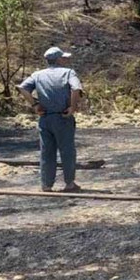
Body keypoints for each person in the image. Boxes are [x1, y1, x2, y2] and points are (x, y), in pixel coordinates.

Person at [16, 47, 84, 193]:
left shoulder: (37, 75)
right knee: (67, 151)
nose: (66, 60)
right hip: (63, 116)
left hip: (45, 118)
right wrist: (72, 107)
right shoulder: (68, 72)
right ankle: (69, 183)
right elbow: (76, 89)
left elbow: (22, 88)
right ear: (59, 59)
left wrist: (35, 105)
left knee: (46, 152)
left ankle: (46, 185)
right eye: (63, 58)